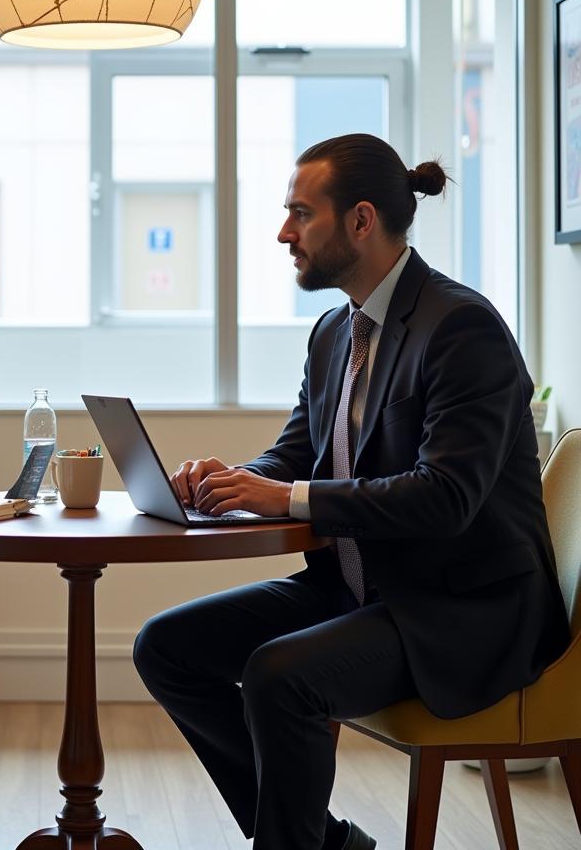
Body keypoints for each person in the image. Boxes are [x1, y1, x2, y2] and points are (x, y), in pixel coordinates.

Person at [132, 134, 570, 850]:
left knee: (281, 678)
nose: (283, 233)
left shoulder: (462, 328)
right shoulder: (335, 332)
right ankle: (322, 843)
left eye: (300, 214)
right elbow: (299, 451)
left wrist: (290, 498)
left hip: (464, 611)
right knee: (166, 648)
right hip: (365, 588)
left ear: (361, 220)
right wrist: (233, 481)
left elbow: (446, 496)